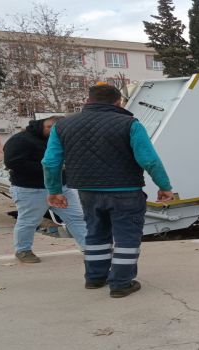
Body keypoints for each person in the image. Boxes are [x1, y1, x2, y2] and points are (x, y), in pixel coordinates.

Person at [42, 83, 174, 298]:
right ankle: (121, 283)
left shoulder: (62, 126)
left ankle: (94, 278)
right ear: (118, 101)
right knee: (126, 238)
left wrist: (54, 190)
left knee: (95, 233)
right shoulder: (129, 124)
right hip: (126, 191)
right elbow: (149, 160)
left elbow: (50, 162)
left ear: (88, 100)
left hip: (87, 191)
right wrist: (164, 186)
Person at [3, 117, 87, 263]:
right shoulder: (21, 140)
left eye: (57, 127)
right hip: (30, 189)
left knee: (77, 217)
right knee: (29, 221)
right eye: (49, 126)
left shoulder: (63, 139)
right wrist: (49, 168)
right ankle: (23, 250)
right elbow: (13, 162)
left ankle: (89, 247)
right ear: (40, 125)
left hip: (61, 188)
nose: (53, 130)